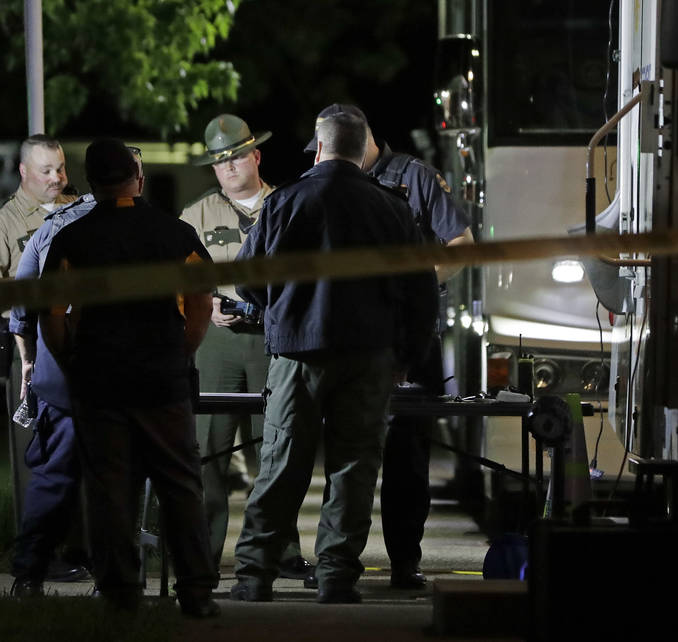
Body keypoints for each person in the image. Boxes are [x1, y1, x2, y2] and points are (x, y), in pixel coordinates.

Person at [230, 111, 438, 604]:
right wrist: (407, 353)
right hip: (369, 358)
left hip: (298, 354)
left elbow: (246, 280)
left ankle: (254, 575)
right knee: (353, 467)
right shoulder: (392, 209)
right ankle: (336, 577)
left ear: (319, 149)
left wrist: (280, 309)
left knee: (281, 464)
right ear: (362, 150)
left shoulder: (284, 201)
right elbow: (420, 291)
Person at [40, 138, 220, 618]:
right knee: (181, 485)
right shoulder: (176, 234)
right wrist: (184, 349)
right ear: (137, 179)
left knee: (109, 490)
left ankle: (120, 593)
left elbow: (51, 315)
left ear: (93, 184)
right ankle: (197, 592)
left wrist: (69, 360)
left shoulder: (70, 241)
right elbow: (203, 298)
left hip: (100, 382)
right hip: (162, 379)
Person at [304, 104, 475, 589]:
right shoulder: (325, 177)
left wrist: (411, 284)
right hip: (345, 334)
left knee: (406, 456)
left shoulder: (415, 177)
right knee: (340, 450)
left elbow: (461, 244)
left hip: (407, 334)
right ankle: (333, 562)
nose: (323, 159)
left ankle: (404, 561)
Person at [180, 114, 312, 578]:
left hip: (274, 341)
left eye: (236, 156)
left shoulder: (291, 205)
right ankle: (204, 555)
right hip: (215, 343)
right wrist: (205, 304)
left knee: (277, 449)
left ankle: (284, 550)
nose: (229, 167)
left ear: (255, 155)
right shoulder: (195, 216)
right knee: (208, 452)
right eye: (219, 162)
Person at [6, 139, 137, 595]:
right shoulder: (155, 228)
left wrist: (30, 361)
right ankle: (115, 579)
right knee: (117, 479)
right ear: (133, 178)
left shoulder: (53, 232)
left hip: (64, 379)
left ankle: (28, 573)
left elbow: (24, 305)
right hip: (126, 378)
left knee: (53, 478)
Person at [0, 134, 88, 582]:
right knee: (36, 458)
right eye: (46, 170)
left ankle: (80, 546)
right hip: (30, 351)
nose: (57, 178)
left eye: (60, 168)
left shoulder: (81, 207)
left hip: (78, 347)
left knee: (81, 451)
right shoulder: (0, 222)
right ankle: (38, 555)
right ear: (23, 172)